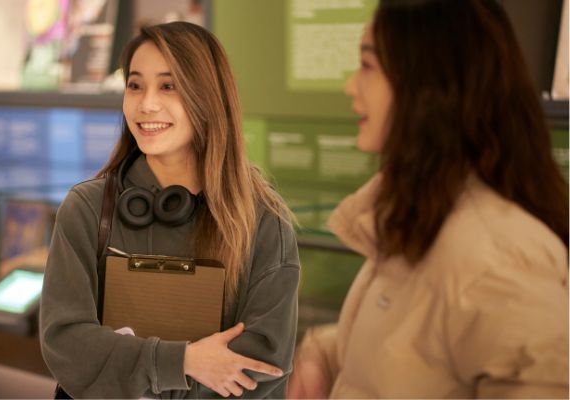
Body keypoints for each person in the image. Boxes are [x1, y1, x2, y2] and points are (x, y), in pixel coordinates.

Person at [287, 0, 569, 398]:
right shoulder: (418, 219)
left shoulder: (500, 257)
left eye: (367, 66)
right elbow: (417, 347)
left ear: (429, 84)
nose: (350, 85)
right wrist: (325, 355)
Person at [40, 21, 300, 398]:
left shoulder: (262, 222)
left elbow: (262, 366)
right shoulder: (87, 209)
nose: (146, 104)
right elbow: (67, 344)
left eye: (168, 85)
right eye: (134, 85)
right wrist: (183, 362)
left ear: (207, 97)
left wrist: (134, 369)